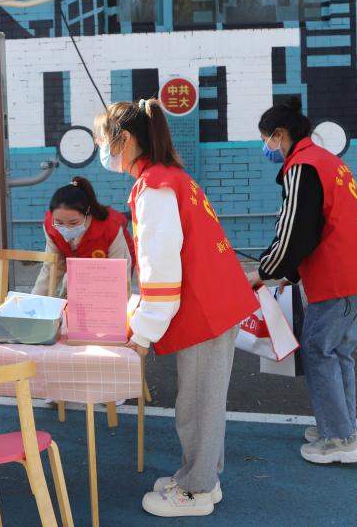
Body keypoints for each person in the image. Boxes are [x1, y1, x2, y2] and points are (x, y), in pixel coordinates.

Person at [95, 98, 257, 518]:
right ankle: (201, 478)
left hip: (204, 311)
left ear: (124, 139)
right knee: (204, 403)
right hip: (215, 304)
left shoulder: (155, 187)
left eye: (104, 140)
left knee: (198, 407)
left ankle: (196, 490)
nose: (103, 150)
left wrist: (142, 333)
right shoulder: (171, 178)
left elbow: (161, 270)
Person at [246, 96, 357, 465]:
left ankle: (340, 440)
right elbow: (314, 228)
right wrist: (287, 273)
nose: (266, 147)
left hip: (339, 277)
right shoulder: (327, 161)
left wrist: (264, 272)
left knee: (317, 350)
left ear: (279, 135)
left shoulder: (301, 166)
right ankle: (340, 426)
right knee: (337, 352)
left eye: (265, 139)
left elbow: (294, 232)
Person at [31, 176, 135, 297]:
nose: (66, 228)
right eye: (59, 222)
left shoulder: (110, 227)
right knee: (70, 289)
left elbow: (119, 276)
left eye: (73, 223)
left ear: (88, 213)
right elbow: (52, 268)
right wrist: (35, 301)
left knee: (105, 297)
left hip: (113, 264)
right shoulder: (50, 225)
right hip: (77, 268)